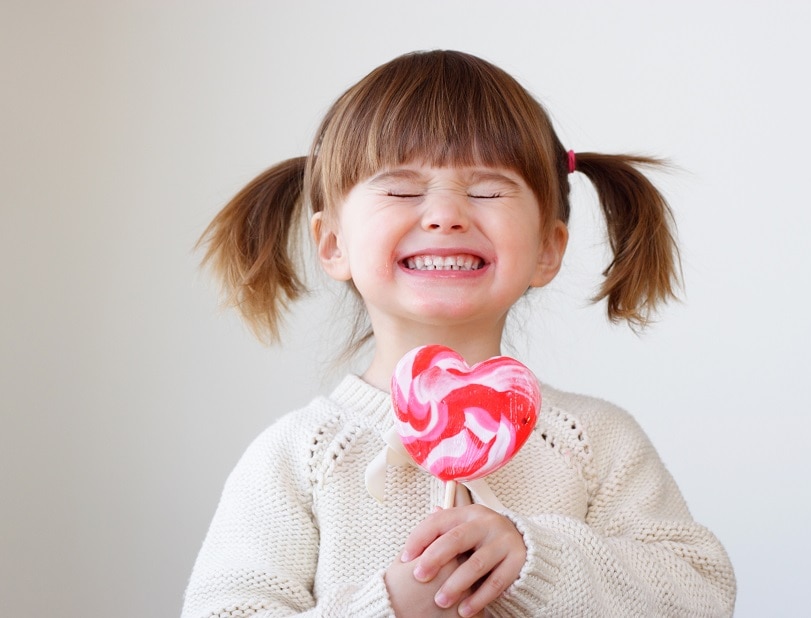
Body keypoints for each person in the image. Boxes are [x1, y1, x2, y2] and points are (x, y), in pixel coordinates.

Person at [182, 50, 736, 618]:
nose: (445, 214)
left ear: (548, 247)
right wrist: (391, 605)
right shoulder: (300, 457)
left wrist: (536, 562)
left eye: (488, 190)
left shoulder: (595, 443)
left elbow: (701, 595)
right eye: (400, 190)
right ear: (333, 245)